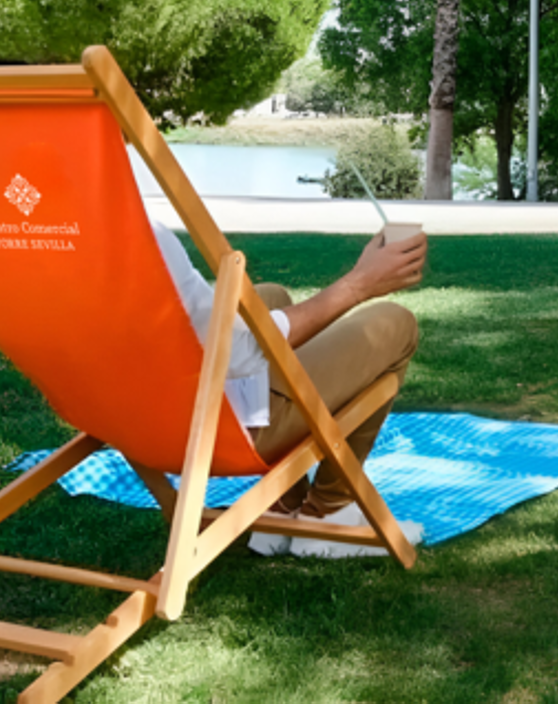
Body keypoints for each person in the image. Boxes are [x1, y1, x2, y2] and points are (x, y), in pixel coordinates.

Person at [151, 221, 427, 557]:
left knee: (265, 298)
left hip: (139, 428)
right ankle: (329, 515)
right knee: (395, 322)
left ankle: (282, 503)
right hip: (213, 434)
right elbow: (237, 352)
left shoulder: (74, 240)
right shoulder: (139, 230)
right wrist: (359, 284)